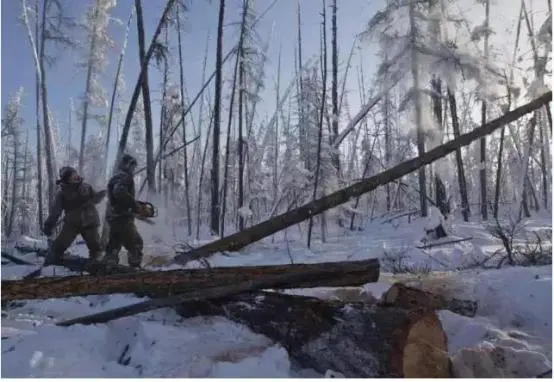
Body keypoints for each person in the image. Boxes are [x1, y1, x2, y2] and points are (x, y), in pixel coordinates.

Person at [42, 166, 103, 265]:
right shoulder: (61, 194)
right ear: (67, 179)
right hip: (72, 223)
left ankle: (97, 265)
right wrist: (49, 225)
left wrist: (99, 196)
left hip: (90, 221)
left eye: (75, 174)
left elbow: (96, 199)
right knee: (59, 246)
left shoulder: (87, 187)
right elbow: (55, 212)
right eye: (71, 176)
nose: (75, 176)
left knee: (95, 246)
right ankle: (49, 263)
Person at [104, 153, 144, 268]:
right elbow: (118, 192)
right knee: (136, 243)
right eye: (132, 166)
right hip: (123, 218)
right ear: (127, 165)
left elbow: (115, 197)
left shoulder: (115, 177)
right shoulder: (125, 177)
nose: (133, 169)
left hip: (113, 218)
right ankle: (134, 272)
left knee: (114, 245)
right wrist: (134, 206)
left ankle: (108, 269)